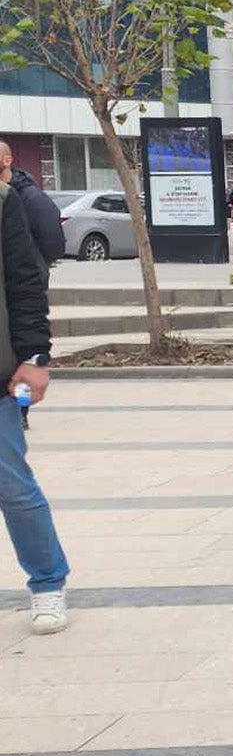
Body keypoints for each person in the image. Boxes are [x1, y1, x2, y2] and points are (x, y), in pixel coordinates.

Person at [0, 176, 59, 635]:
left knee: (13, 484)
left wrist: (35, 357)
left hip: (2, 376)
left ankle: (47, 582)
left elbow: (25, 282)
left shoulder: (4, 201)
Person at [0, 144, 64, 266]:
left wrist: (30, 265)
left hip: (21, 274)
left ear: (7, 161)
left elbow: (53, 244)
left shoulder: (31, 197)